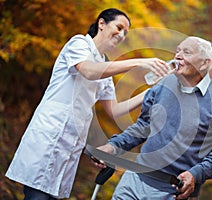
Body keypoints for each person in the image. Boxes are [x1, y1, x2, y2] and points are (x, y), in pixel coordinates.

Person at [5, 8, 170, 200]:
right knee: (37, 195)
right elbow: (89, 71)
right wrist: (138, 62)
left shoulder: (104, 62)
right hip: (49, 136)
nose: (122, 34)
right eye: (119, 27)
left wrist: (151, 91)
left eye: (125, 32)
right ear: (101, 23)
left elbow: (115, 110)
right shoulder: (79, 44)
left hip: (71, 144)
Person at [97, 36, 212, 199]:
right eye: (177, 50)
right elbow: (144, 126)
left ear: (205, 63)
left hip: (172, 191)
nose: (178, 55)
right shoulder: (163, 84)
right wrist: (113, 146)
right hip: (134, 180)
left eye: (186, 52)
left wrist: (196, 174)